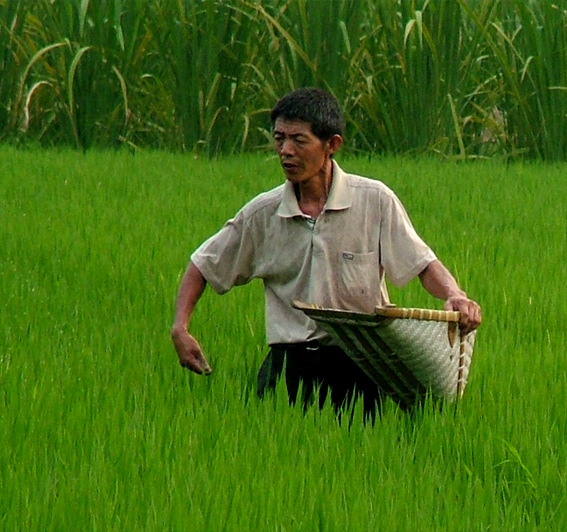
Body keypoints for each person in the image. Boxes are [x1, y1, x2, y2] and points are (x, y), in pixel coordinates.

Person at [170, 87, 481, 420]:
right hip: (288, 366)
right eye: (279, 139)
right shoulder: (263, 214)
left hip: (358, 366)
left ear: (332, 144)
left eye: (299, 141)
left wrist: (455, 295)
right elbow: (204, 264)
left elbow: (421, 263)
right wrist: (180, 327)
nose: (285, 151)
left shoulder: (373, 201)